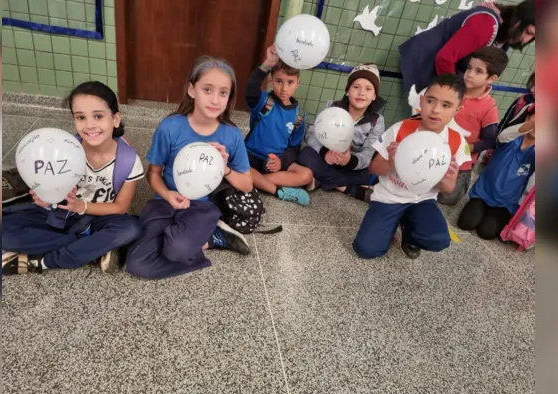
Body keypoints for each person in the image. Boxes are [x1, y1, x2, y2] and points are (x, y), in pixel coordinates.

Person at [125, 57, 254, 280]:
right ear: (191, 90)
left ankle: (213, 236)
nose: (215, 99)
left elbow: (247, 184)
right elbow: (153, 173)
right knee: (137, 265)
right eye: (207, 89)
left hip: (201, 208)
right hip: (164, 201)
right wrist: (167, 193)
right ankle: (195, 240)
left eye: (223, 93)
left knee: (176, 250)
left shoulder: (231, 135)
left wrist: (225, 169)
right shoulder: (171, 127)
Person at [2, 81, 143, 274]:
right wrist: (45, 199)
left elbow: (120, 207)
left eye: (99, 116)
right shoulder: (62, 151)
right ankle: (93, 247)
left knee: (131, 229)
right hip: (59, 216)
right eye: (81, 117)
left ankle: (43, 261)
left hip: (100, 218)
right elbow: (51, 192)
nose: (90, 125)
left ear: (115, 119)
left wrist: (80, 206)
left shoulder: (128, 160)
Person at [353, 74, 471, 260]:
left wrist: (445, 176)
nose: (436, 110)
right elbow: (373, 168)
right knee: (366, 249)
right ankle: (390, 224)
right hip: (389, 198)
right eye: (431, 101)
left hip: (422, 201)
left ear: (458, 109)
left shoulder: (456, 142)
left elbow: (448, 189)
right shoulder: (400, 129)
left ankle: (409, 233)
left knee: (439, 240)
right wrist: (392, 162)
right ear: (422, 101)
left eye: (446, 105)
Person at [399, 0, 535, 93]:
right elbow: (445, 58)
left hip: (439, 72)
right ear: (517, 23)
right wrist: (455, 93)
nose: (526, 40)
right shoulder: (486, 24)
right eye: (528, 32)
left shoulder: (506, 33)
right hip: (424, 63)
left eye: (533, 37)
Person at [297, 63, 386, 202]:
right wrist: (324, 152)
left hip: (352, 166)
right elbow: (310, 132)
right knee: (305, 155)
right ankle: (349, 189)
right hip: (326, 159)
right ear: (347, 91)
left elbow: (369, 153)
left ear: (374, 96)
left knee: (375, 172)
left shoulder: (377, 120)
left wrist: (349, 161)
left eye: (368, 89)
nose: (361, 93)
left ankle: (324, 180)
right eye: (356, 87)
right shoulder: (331, 107)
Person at [244, 44, 314, 206]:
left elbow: (294, 148)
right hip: (250, 158)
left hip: (275, 165)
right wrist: (267, 64)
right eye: (279, 81)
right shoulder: (263, 101)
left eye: (290, 83)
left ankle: (255, 183)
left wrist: (282, 161)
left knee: (306, 175)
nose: (284, 88)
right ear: (271, 80)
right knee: (235, 166)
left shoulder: (299, 116)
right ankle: (279, 191)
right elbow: (250, 89)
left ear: (297, 83)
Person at [438, 46, 508, 205]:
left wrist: (465, 148)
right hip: (434, 153)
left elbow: (490, 140)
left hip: (459, 165)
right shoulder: (451, 91)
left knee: (446, 199)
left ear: (491, 78)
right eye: (469, 68)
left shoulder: (489, 107)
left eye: (478, 71)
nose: (469, 74)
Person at [458, 106, 536, 239]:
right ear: (528, 118)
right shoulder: (511, 139)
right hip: (483, 194)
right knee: (465, 224)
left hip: (506, 204)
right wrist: (528, 126)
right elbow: (504, 135)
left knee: (487, 233)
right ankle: (479, 209)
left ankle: (495, 215)